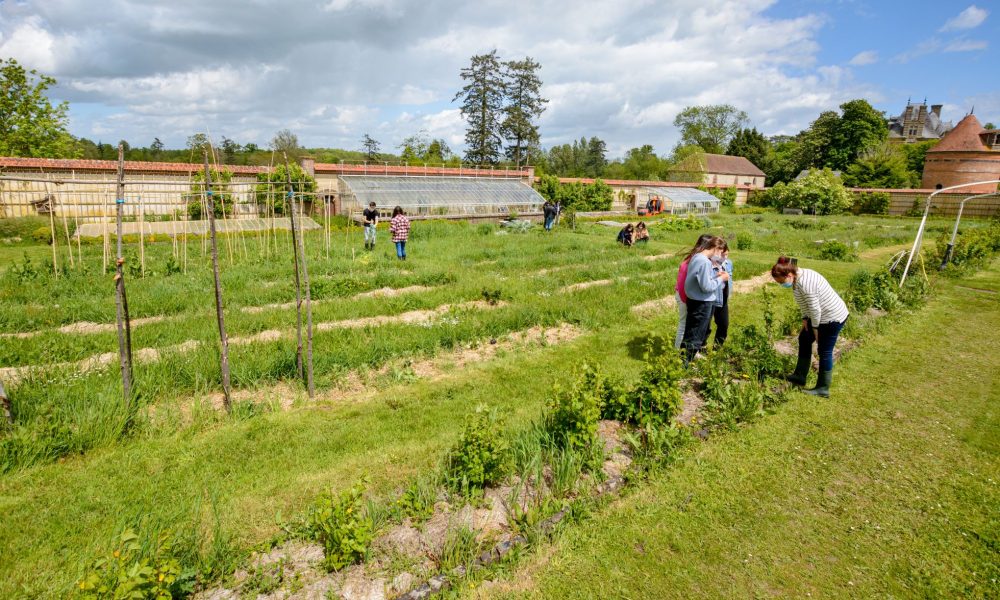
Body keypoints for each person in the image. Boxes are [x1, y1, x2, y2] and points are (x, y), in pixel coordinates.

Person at [771, 256, 850, 397]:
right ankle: (800, 375)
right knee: (804, 339)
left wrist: (815, 329)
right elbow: (804, 303)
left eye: (781, 282)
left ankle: (822, 388)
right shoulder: (796, 278)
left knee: (824, 350)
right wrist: (805, 319)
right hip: (819, 318)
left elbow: (815, 309)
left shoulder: (806, 283)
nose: (781, 285)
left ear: (789, 275)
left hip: (832, 318)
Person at [682, 236, 730, 362]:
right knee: (695, 336)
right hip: (702, 303)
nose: (720, 256)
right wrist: (721, 279)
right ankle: (685, 363)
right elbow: (707, 287)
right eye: (720, 252)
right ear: (715, 248)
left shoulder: (697, 257)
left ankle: (682, 362)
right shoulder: (705, 262)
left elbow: (702, 281)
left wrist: (715, 276)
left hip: (694, 300)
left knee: (691, 333)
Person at [674, 234, 714, 349]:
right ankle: (679, 352)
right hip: (684, 296)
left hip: (681, 294)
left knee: (687, 325)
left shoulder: (693, 257)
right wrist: (686, 300)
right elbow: (685, 282)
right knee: (684, 324)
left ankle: (684, 350)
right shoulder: (698, 260)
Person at [708, 243, 733, 346]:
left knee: (724, 324)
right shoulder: (708, 263)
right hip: (711, 297)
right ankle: (700, 348)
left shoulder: (728, 263)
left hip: (723, 297)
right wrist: (717, 276)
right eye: (723, 255)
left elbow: (729, 279)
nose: (725, 258)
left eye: (727, 255)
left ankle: (717, 348)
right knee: (705, 325)